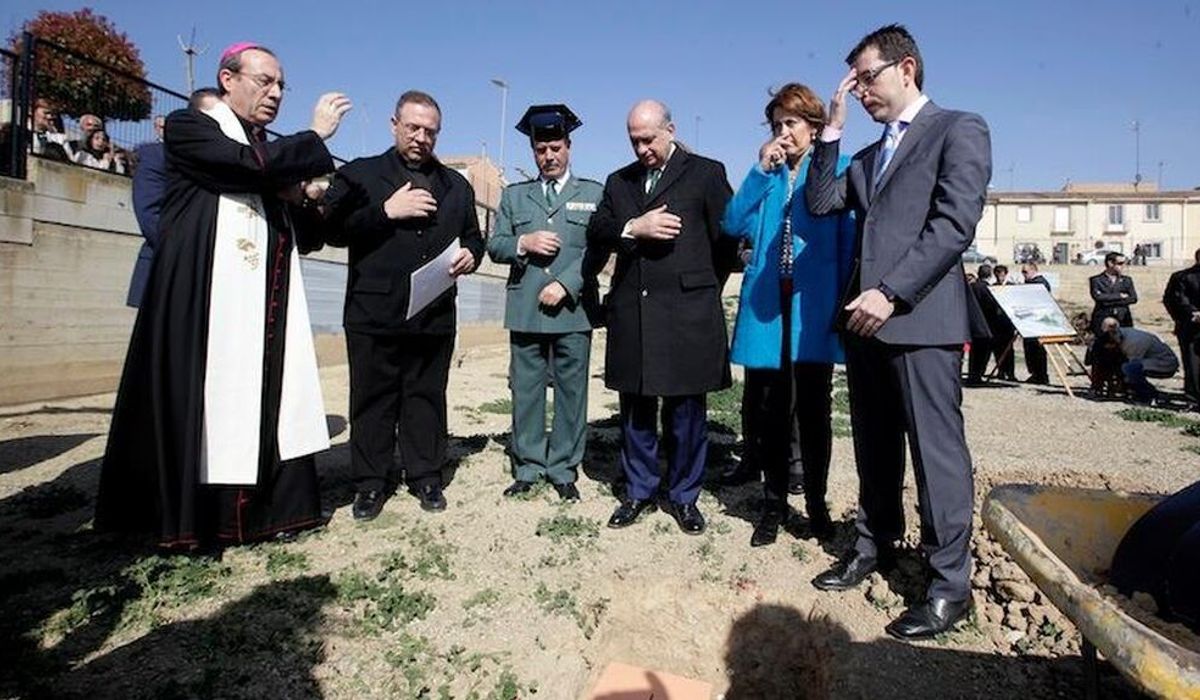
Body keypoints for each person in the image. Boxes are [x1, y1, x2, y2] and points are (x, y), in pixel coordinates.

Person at [94, 43, 351, 548]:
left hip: (267, 307)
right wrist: (315, 136)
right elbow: (241, 165)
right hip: (206, 303)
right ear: (228, 79)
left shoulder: (267, 153)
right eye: (265, 81)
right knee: (205, 404)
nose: (275, 93)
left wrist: (304, 198)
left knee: (269, 401)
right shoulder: (191, 128)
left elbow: (308, 233)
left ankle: (265, 515)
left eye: (281, 85)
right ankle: (197, 521)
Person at [805, 24, 991, 640]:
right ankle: (873, 544)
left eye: (867, 79)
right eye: (854, 84)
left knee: (936, 455)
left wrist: (890, 291)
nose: (860, 92)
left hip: (921, 320)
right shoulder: (864, 157)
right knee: (874, 445)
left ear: (905, 68)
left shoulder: (958, 129)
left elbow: (953, 225)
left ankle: (949, 585)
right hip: (866, 324)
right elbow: (821, 202)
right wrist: (831, 132)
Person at [321, 90, 484, 519]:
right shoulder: (361, 175)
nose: (421, 138)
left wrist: (472, 254)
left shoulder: (457, 186)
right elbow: (330, 229)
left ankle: (426, 475)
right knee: (372, 399)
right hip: (374, 312)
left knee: (425, 397)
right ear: (394, 125)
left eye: (430, 131)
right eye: (413, 128)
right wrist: (385, 212)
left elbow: (473, 237)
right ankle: (370, 483)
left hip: (434, 313)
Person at [586, 99, 733, 535]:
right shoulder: (619, 181)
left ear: (670, 130)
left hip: (687, 313)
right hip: (634, 311)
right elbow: (598, 230)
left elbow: (726, 241)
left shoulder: (706, 173)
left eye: (649, 139)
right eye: (634, 141)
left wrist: (701, 286)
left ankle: (684, 496)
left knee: (686, 414)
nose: (642, 149)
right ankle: (639, 490)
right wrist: (635, 227)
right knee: (636, 410)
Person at [720, 83, 855, 547]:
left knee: (815, 411)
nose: (783, 132)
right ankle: (772, 506)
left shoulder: (837, 169)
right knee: (771, 412)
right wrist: (760, 170)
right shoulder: (769, 175)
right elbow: (732, 223)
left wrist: (840, 305)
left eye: (791, 123)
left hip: (813, 308)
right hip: (768, 308)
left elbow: (847, 242)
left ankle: (816, 505)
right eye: (777, 124)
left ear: (814, 128)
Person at [486, 104, 604, 502]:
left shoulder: (593, 193)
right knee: (526, 392)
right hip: (527, 310)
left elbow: (597, 249)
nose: (549, 156)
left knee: (572, 394)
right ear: (533, 152)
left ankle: (564, 468)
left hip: (574, 310)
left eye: (555, 148)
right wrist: (524, 242)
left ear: (568, 146)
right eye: (541, 150)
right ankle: (529, 466)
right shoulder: (514, 196)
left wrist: (567, 285)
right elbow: (495, 245)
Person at [127, 91, 220, 308]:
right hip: (167, 270)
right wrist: (195, 257)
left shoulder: (223, 163)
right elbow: (151, 217)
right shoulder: (156, 155)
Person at [1093, 317, 1179, 404]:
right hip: (1150, 360)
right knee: (1127, 368)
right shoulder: (1121, 334)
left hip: (1165, 363)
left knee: (1129, 369)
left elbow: (1132, 367)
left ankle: (1150, 395)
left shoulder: (1133, 342)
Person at [1165, 250, 1200, 405]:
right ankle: (1193, 398)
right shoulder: (1182, 277)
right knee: (1193, 363)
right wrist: (1191, 314)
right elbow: (1175, 300)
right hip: (1191, 327)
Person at [1089, 252, 1137, 334]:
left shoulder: (1127, 280)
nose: (1123, 266)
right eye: (1120, 263)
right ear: (1110, 263)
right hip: (1102, 319)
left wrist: (1107, 299)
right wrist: (1120, 296)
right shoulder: (1096, 280)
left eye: (1125, 263)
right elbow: (1098, 297)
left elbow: (1133, 298)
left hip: (1123, 320)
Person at [966, 264, 998, 385]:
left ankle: (972, 375)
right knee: (982, 353)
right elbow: (991, 307)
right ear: (990, 275)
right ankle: (977, 376)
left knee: (974, 353)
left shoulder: (971, 287)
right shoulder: (987, 289)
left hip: (972, 325)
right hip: (986, 325)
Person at [1021, 263, 1051, 384]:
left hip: (1037, 322)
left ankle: (1040, 375)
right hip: (1029, 322)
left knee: (1037, 350)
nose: (1023, 274)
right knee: (1029, 350)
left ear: (1033, 270)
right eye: (1022, 272)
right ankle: (1035, 373)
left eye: (1025, 272)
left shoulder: (1039, 283)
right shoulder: (1029, 283)